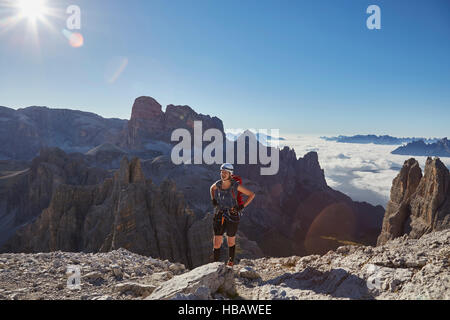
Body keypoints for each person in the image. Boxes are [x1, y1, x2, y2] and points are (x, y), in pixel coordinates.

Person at [210, 163, 255, 266]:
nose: (223, 174)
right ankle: (215, 266)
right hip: (219, 215)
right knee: (217, 243)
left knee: (231, 241)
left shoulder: (235, 185)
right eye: (222, 172)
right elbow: (211, 189)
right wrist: (213, 200)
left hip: (232, 215)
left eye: (225, 172)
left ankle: (230, 263)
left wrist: (241, 206)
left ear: (230, 174)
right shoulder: (218, 184)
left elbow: (251, 195)